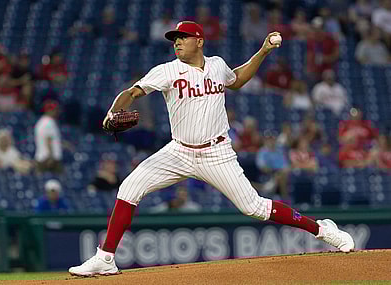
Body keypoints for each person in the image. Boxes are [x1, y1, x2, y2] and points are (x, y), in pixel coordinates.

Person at [69, 21, 354, 277]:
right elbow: (132, 92)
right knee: (129, 189)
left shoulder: (217, 65)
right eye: (174, 39)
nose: (177, 42)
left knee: (254, 208)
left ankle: (323, 230)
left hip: (217, 153)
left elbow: (237, 79)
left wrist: (264, 51)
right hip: (178, 152)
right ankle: (106, 258)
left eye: (183, 37)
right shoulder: (167, 70)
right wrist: (112, 112)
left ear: (199, 41)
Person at [34, 100, 63, 173]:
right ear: (48, 110)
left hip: (42, 157)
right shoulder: (49, 122)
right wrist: (51, 157)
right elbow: (48, 140)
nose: (57, 111)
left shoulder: (41, 121)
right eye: (55, 110)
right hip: (48, 159)